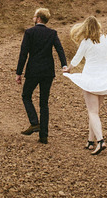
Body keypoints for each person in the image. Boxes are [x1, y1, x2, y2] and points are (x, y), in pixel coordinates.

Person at [63, 16, 107, 155]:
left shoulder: (86, 42)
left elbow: (77, 58)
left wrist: (69, 69)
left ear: (85, 28)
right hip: (104, 79)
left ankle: (100, 141)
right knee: (95, 112)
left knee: (92, 111)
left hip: (90, 78)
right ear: (98, 26)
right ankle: (90, 141)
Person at [16, 8, 68, 144]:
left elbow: (23, 53)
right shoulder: (52, 33)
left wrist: (18, 72)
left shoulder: (29, 32)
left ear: (38, 18)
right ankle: (43, 136)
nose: (33, 18)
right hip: (47, 72)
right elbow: (59, 49)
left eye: (34, 16)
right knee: (44, 103)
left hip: (33, 71)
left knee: (26, 95)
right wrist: (64, 65)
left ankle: (34, 122)